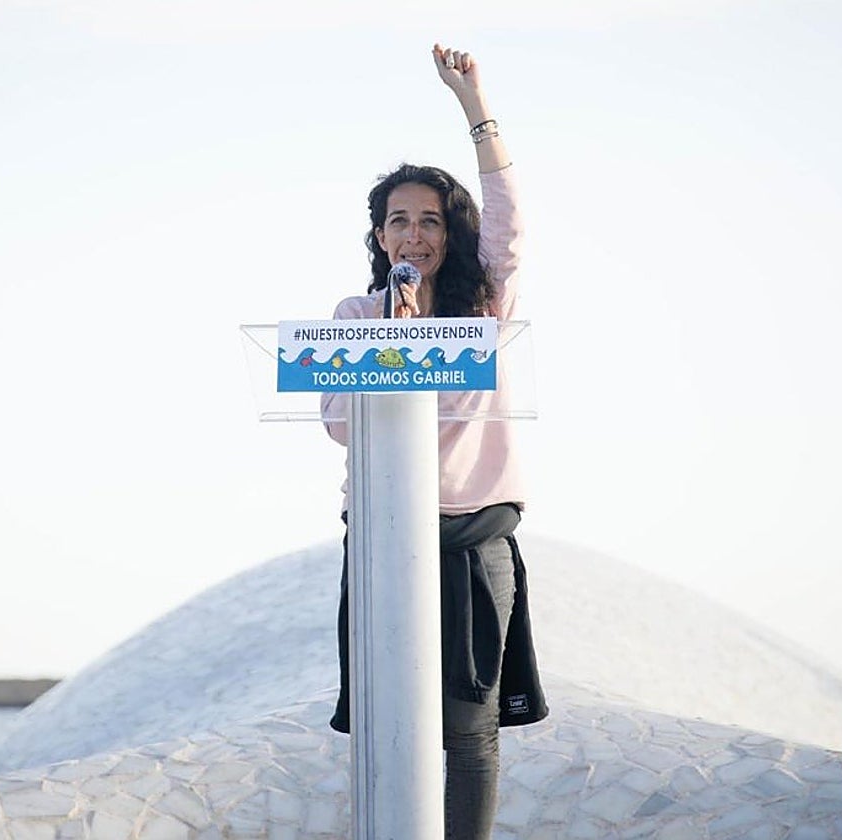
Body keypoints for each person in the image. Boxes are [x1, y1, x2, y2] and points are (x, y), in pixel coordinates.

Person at [321, 44, 547, 840]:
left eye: (429, 221)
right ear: (380, 238)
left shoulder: (483, 305)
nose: (413, 235)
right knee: (389, 715)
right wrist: (392, 338)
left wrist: (473, 103)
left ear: (448, 234)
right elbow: (339, 426)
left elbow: (511, 217)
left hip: (471, 533)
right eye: (398, 222)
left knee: (467, 726)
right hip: (386, 539)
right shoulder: (354, 318)